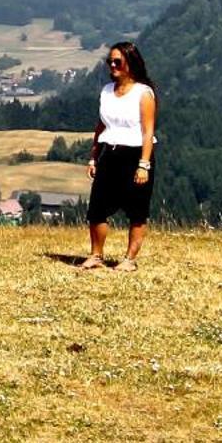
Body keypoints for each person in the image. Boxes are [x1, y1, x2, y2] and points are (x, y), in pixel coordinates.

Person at [80, 40, 157, 272]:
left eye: (117, 62)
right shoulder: (106, 91)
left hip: (135, 155)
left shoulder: (144, 93)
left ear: (130, 64)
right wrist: (94, 156)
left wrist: (143, 164)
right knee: (97, 208)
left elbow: (148, 131)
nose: (112, 66)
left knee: (137, 210)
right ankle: (96, 255)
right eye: (109, 62)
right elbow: (101, 126)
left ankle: (129, 259)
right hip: (109, 153)